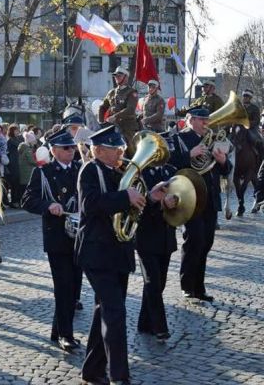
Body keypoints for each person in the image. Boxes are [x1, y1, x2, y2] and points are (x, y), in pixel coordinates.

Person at [76, 125, 168, 384]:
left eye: (120, 148)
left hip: (119, 253)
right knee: (114, 312)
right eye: (114, 149)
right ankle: (119, 377)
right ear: (98, 150)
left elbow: (132, 210)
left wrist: (149, 197)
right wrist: (124, 195)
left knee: (104, 310)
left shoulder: (121, 172)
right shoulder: (90, 170)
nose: (121, 152)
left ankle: (92, 370)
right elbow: (90, 205)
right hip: (96, 253)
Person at [21, 129, 81, 352]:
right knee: (64, 286)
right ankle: (66, 334)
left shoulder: (80, 168)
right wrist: (48, 205)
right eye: (66, 148)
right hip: (57, 236)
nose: (71, 151)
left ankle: (57, 330)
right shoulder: (44, 173)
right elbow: (27, 199)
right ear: (54, 151)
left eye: (72, 147)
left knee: (74, 287)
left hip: (79, 234)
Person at [170, 108, 231, 302]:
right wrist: (190, 154)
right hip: (191, 197)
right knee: (194, 240)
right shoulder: (180, 139)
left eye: (207, 119)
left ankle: (199, 287)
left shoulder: (212, 138)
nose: (206, 122)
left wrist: (223, 161)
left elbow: (225, 169)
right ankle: (187, 286)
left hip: (210, 197)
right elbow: (171, 165)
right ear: (191, 120)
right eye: (202, 119)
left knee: (206, 242)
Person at [135, 151, 178, 342]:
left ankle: (144, 323)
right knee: (153, 282)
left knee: (159, 282)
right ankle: (160, 327)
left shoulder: (172, 172)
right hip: (146, 236)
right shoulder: (141, 175)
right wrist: (160, 204)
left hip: (167, 236)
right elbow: (138, 208)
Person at [98, 67, 139, 156]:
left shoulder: (132, 92)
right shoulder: (112, 92)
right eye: (116, 76)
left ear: (126, 77)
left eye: (119, 76)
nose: (117, 78)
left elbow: (130, 109)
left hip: (127, 127)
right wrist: (101, 123)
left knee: (131, 150)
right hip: (112, 126)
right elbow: (102, 107)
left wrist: (115, 117)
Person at [241, 89, 264, 158]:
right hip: (239, 127)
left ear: (250, 98)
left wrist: (246, 124)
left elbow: (256, 121)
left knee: (258, 141)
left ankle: (260, 156)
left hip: (251, 128)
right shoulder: (239, 107)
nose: (245, 97)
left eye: (247, 96)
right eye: (244, 96)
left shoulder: (255, 108)